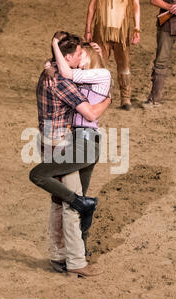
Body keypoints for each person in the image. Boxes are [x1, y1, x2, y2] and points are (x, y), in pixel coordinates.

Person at [30, 32, 111, 277]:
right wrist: (108, 100)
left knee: (57, 202)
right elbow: (90, 114)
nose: (80, 57)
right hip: (64, 143)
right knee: (71, 204)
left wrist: (97, 54)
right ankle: (76, 262)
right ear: (67, 57)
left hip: (47, 139)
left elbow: (77, 70)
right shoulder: (64, 82)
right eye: (78, 54)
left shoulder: (48, 72)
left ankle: (58, 256)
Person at [49, 35, 112, 257]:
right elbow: (58, 68)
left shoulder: (101, 74)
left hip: (85, 137)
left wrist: (55, 44)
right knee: (77, 196)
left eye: (82, 54)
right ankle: (78, 249)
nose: (78, 57)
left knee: (73, 197)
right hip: (76, 137)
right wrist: (50, 64)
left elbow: (66, 72)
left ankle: (75, 249)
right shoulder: (87, 77)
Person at [84, 0, 141, 111]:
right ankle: (99, 96)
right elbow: (92, 6)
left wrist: (136, 28)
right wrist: (88, 29)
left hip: (121, 30)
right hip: (102, 30)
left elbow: (136, 5)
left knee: (123, 64)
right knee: (99, 64)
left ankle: (125, 98)